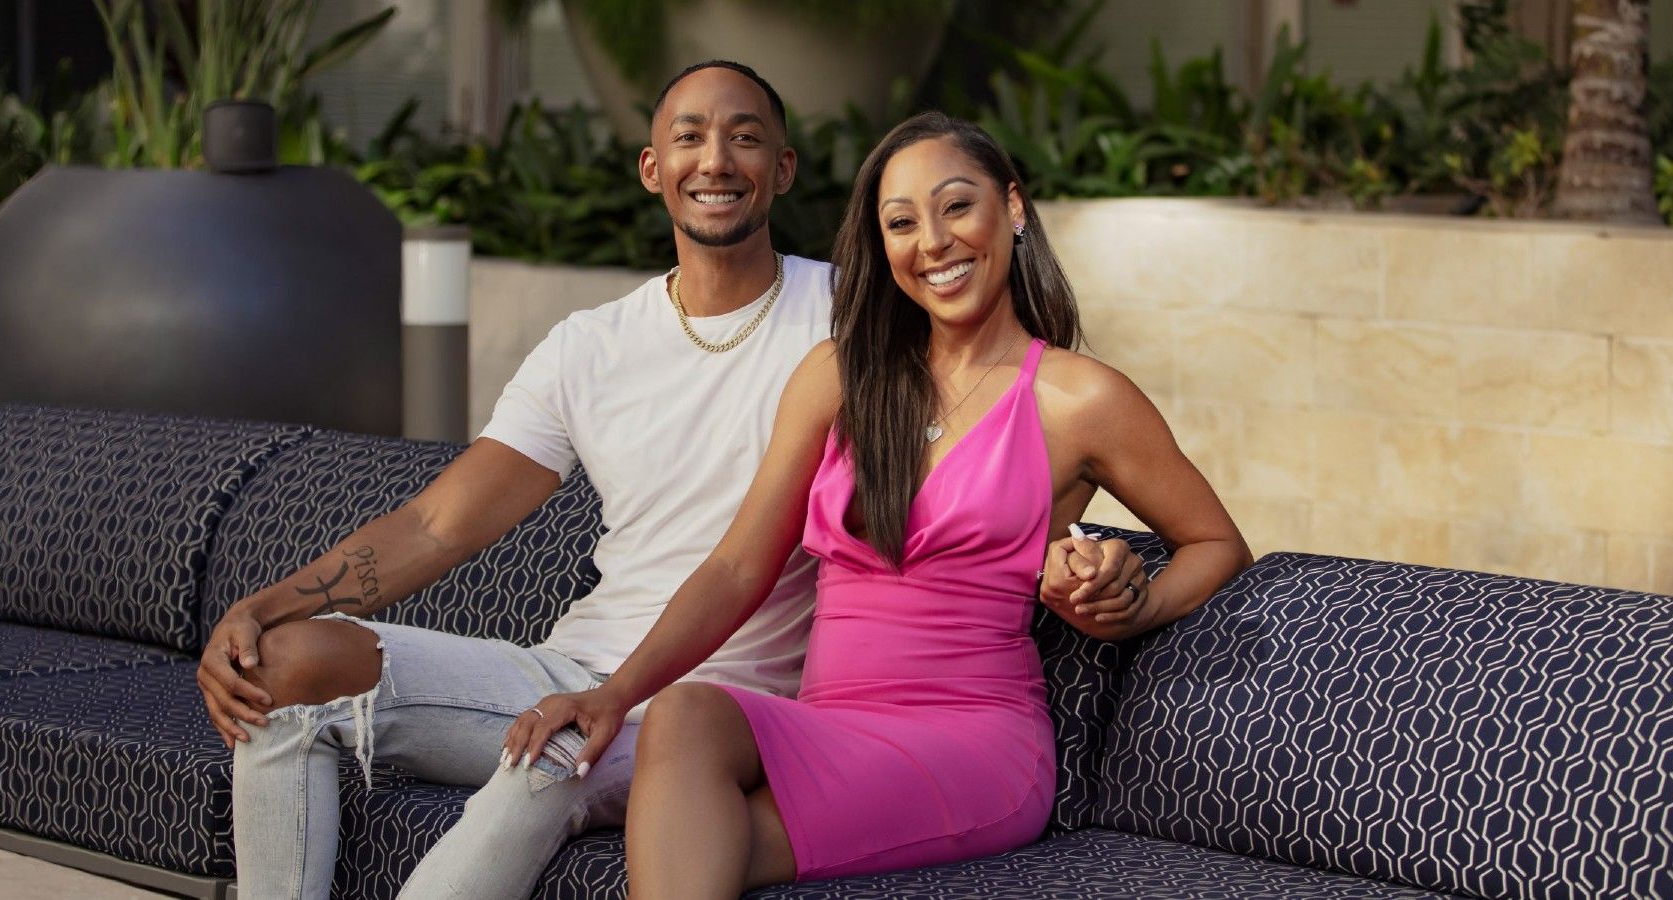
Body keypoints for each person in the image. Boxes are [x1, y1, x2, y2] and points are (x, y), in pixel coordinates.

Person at [195, 63, 1144, 899]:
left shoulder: (859, 324)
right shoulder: (589, 346)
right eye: (688, 136)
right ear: (653, 169)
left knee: (551, 757)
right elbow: (442, 522)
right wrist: (266, 605)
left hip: (726, 704)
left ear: (784, 171)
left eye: (745, 138)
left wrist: (1086, 559)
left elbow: (977, 458)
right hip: (573, 665)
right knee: (277, 668)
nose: (715, 159)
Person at [509, 111, 1253, 899]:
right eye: (902, 222)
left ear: (1013, 208)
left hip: (972, 743)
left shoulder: (1078, 398)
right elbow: (736, 565)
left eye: (957, 206)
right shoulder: (838, 376)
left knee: (695, 854)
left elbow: (1214, 541)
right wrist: (612, 694)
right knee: (684, 716)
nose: (932, 241)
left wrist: (1134, 609)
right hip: (826, 724)